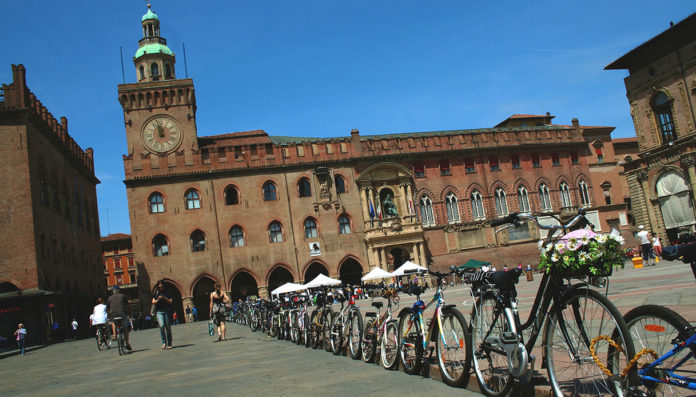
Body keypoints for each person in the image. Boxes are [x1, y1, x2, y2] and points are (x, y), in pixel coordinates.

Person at [107, 285, 132, 351]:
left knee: (114, 323)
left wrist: (109, 316)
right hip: (122, 314)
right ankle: (127, 343)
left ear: (113, 291)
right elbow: (128, 305)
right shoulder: (123, 296)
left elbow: (107, 308)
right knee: (125, 328)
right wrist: (129, 314)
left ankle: (115, 335)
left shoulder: (109, 298)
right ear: (119, 290)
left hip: (114, 315)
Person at [152, 280, 173, 349]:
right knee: (161, 326)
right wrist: (158, 299)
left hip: (167, 311)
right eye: (159, 286)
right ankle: (164, 342)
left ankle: (169, 343)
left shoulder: (167, 292)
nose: (161, 287)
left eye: (162, 286)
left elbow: (171, 301)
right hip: (159, 312)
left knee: (168, 327)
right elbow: (153, 302)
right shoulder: (156, 292)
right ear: (158, 286)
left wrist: (165, 298)